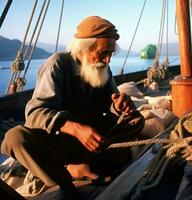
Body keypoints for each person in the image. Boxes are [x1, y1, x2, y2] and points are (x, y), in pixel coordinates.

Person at [1, 16, 145, 192]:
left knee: (135, 119)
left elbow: (112, 103)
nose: (107, 60)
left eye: (110, 54)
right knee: (15, 138)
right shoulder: (56, 64)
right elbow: (34, 113)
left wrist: (119, 106)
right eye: (103, 53)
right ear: (83, 49)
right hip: (59, 141)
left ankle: (84, 165)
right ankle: (67, 172)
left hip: (91, 139)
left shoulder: (102, 67)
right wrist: (76, 129)